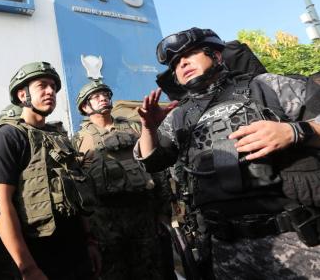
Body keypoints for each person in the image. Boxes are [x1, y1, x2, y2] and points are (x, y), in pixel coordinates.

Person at [135, 27, 320, 279]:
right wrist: (149, 128)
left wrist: (295, 131)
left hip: (298, 240)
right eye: (176, 63)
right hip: (225, 250)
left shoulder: (268, 85)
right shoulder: (179, 115)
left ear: (217, 56)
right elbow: (152, 161)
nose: (182, 63)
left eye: (190, 54)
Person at [0, 62, 101, 279]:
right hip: (40, 260)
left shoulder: (60, 137)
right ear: (22, 94)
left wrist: (89, 241)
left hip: (76, 256)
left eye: (54, 87)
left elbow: (77, 193)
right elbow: (0, 203)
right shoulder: (9, 136)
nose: (50, 91)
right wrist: (27, 267)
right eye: (42, 85)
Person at [73, 80, 176, 280]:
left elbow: (157, 170)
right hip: (106, 222)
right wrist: (89, 234)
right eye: (95, 96)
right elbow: (79, 187)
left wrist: (164, 213)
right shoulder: (79, 140)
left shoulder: (135, 128)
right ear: (85, 107)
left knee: (153, 271)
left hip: (143, 215)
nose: (103, 98)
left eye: (105, 94)